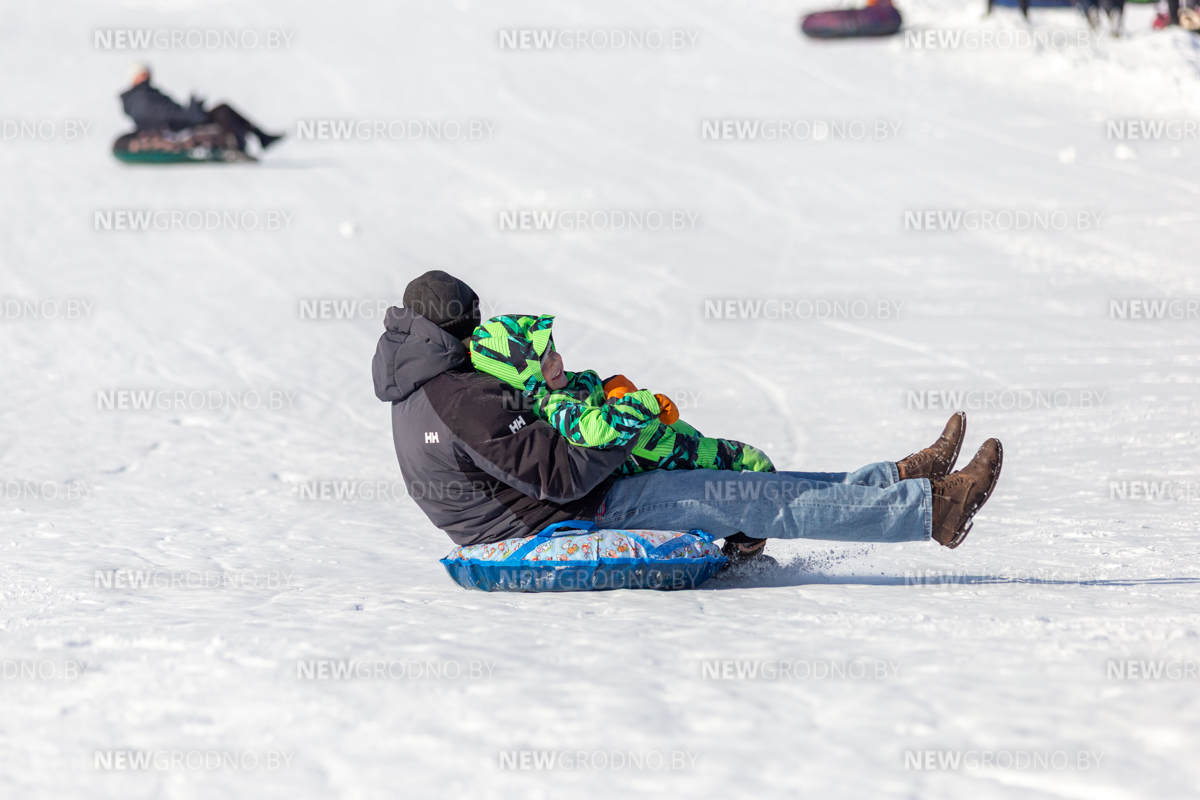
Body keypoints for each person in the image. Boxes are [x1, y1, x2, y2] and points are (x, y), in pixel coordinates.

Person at [372, 271, 1003, 566]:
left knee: (749, 481)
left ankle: (896, 480)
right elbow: (561, 474)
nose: (484, 334)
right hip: (568, 518)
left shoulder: (423, 386)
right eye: (474, 323)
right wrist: (621, 426)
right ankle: (931, 512)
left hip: (562, 504)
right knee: (750, 496)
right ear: (454, 327)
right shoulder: (460, 397)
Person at [465, 313, 776, 477]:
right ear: (525, 379)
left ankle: (750, 543)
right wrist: (644, 402)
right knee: (742, 464)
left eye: (552, 350)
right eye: (543, 363)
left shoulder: (571, 384)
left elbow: (602, 398)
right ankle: (762, 528)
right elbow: (595, 429)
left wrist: (616, 388)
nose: (555, 361)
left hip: (672, 444)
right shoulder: (554, 405)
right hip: (658, 465)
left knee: (747, 461)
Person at [119, 64, 283, 152]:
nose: (146, 77)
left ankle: (255, 138)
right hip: (178, 126)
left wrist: (192, 108)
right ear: (134, 78)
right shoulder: (139, 98)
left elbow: (171, 111)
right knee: (223, 111)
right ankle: (244, 142)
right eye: (142, 74)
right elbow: (165, 115)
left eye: (147, 73)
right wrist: (192, 112)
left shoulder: (150, 94)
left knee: (223, 109)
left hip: (183, 121)